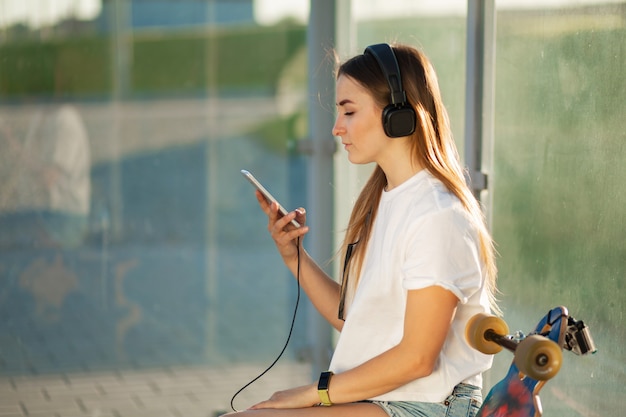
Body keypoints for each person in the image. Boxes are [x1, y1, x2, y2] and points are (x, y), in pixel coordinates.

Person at [226, 42, 499, 417]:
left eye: (348, 111)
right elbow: (359, 320)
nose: (337, 128)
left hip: (428, 404)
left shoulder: (437, 216)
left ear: (398, 114)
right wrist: (294, 257)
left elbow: (418, 359)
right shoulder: (387, 199)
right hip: (391, 397)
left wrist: (315, 393)